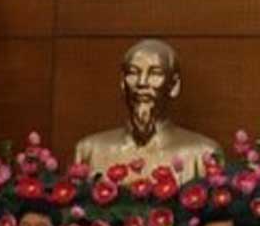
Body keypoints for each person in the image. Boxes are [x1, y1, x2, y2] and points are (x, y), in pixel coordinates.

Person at [72, 38, 226, 184]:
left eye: (155, 73)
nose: (142, 82)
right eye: (133, 72)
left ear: (173, 85)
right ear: (123, 83)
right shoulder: (89, 151)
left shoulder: (202, 154)